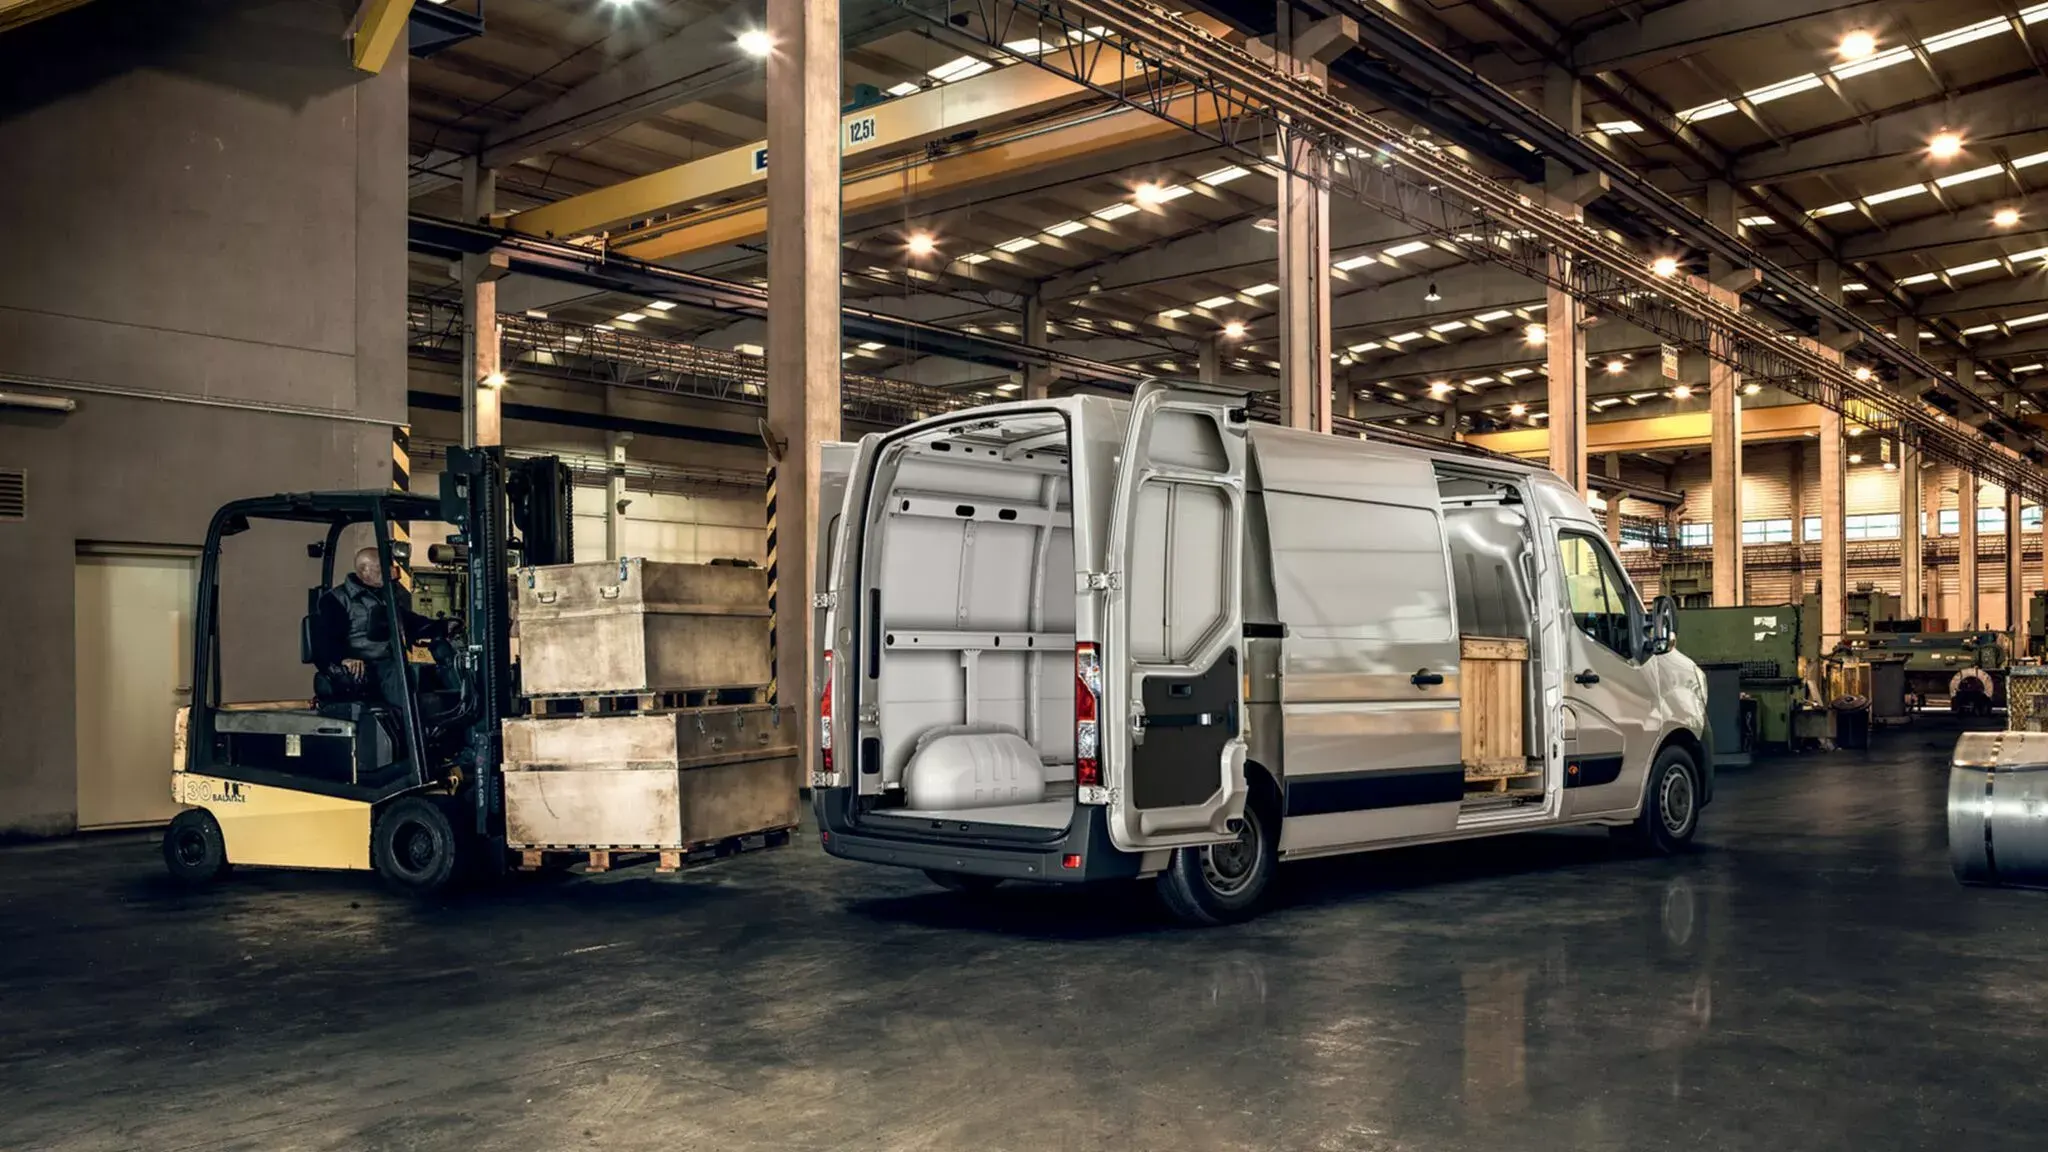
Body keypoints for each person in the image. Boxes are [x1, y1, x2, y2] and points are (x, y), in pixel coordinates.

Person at [319, 547, 458, 714]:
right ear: (365, 570)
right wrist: (343, 659)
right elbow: (326, 639)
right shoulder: (336, 600)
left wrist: (443, 626)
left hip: (389, 664)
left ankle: (450, 715)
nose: (390, 570)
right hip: (367, 666)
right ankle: (416, 721)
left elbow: (409, 622)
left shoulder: (384, 596)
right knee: (406, 684)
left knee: (432, 676)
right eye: (382, 567)